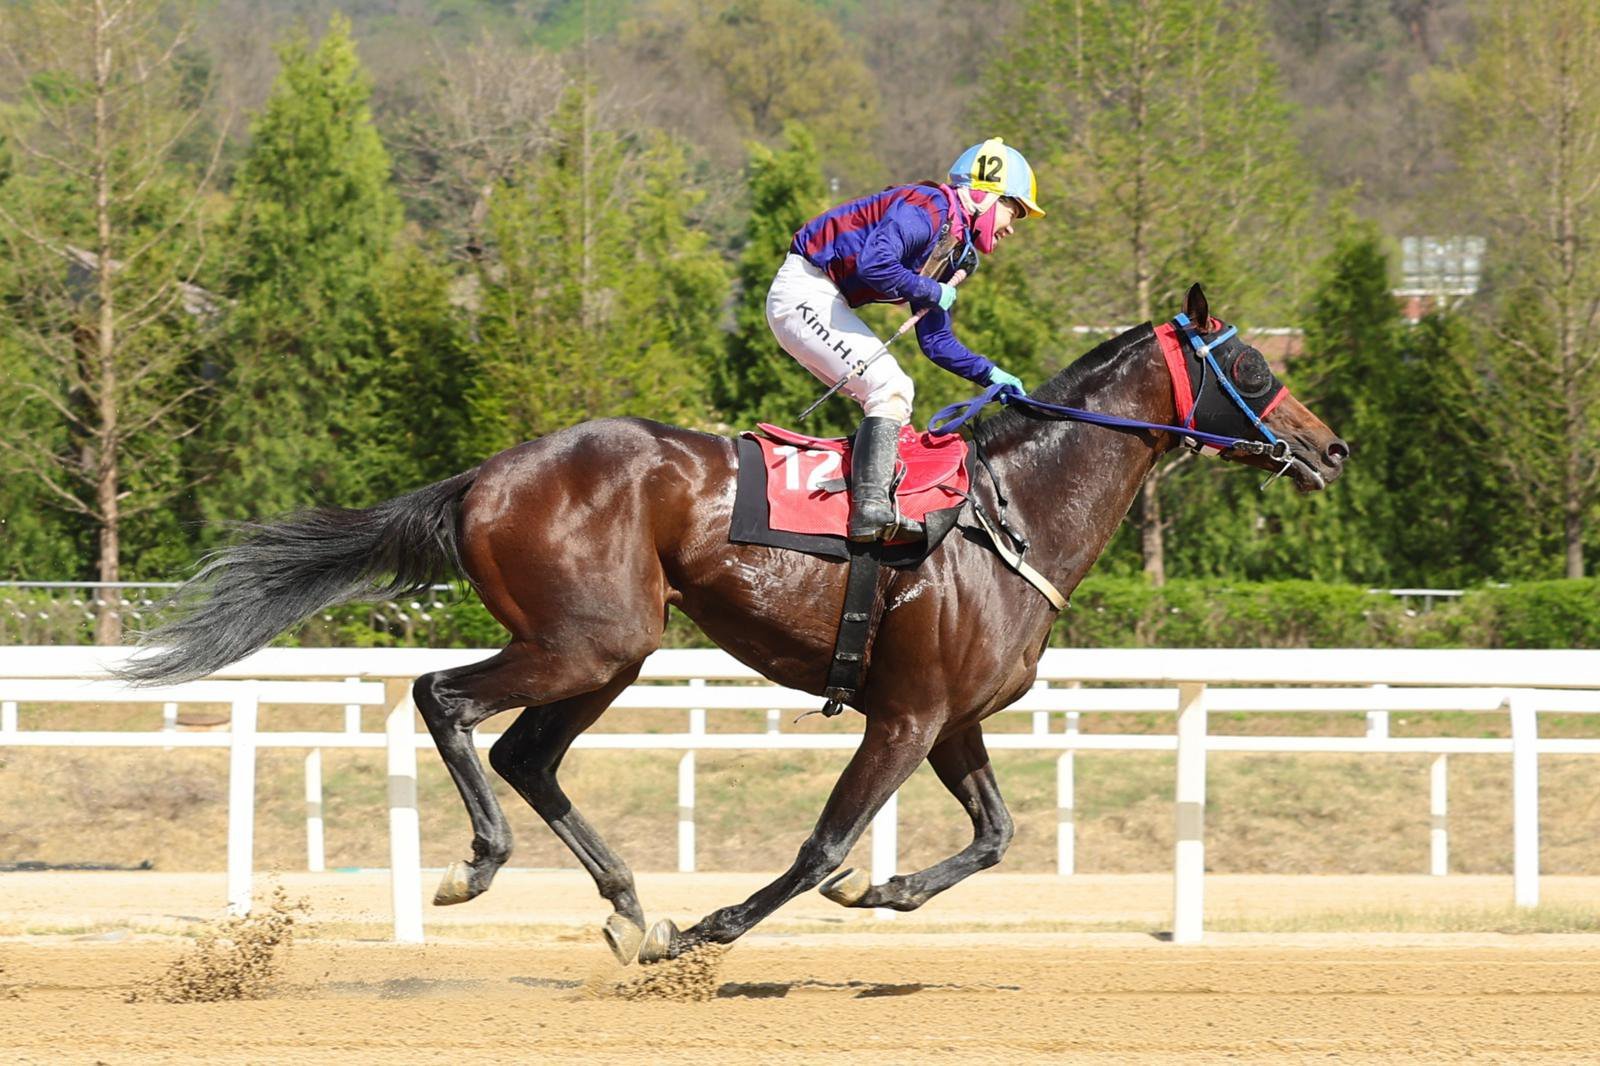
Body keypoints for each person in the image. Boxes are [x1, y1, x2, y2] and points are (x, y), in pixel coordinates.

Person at [767, 137, 1044, 542]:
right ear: (983, 196)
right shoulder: (927, 208)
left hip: (825, 298)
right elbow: (875, 265)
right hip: (803, 292)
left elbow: (936, 342)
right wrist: (933, 291)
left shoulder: (953, 249)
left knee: (891, 391)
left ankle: (869, 503)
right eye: (1012, 210)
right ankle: (871, 511)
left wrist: (991, 374)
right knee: (891, 386)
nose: (1012, 228)